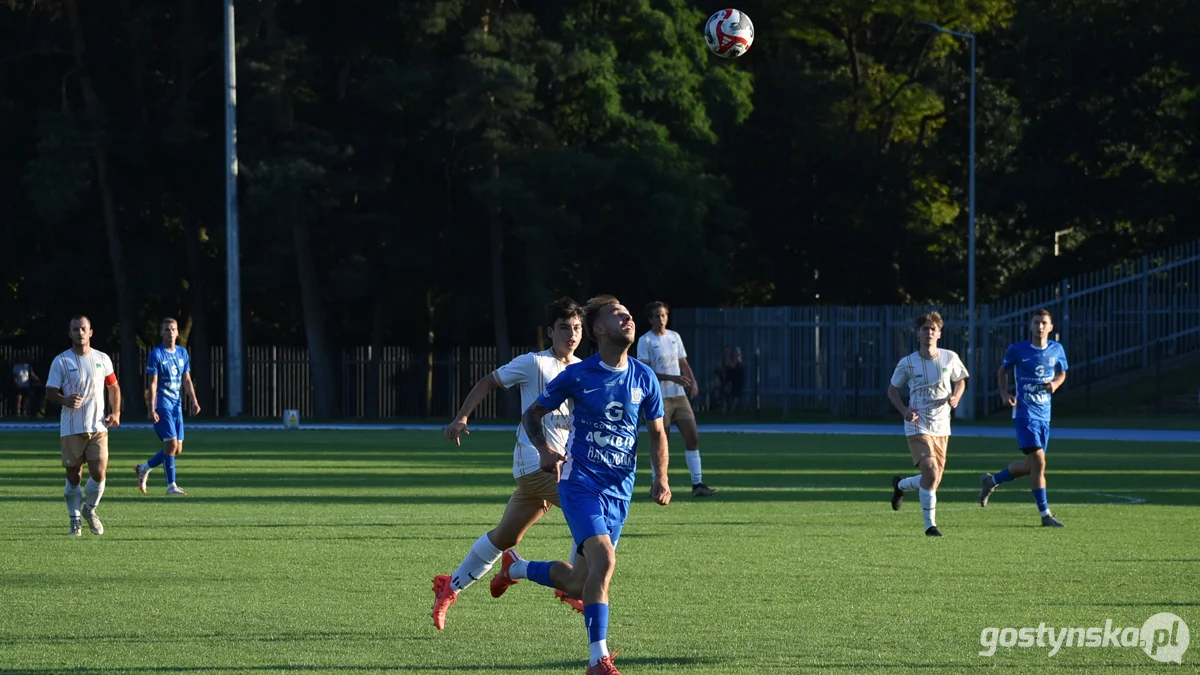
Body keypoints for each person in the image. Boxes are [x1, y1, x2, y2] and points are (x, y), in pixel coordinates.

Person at [490, 295, 671, 675]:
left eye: (628, 313)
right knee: (604, 561)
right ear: (599, 329)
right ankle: (597, 661)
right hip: (580, 484)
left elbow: (657, 433)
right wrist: (543, 451)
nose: (628, 318)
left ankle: (515, 568)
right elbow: (532, 414)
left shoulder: (644, 377)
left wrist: (661, 478)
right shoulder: (577, 375)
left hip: (618, 492)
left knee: (578, 582)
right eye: (617, 314)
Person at [431, 297, 586, 630]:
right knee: (589, 511)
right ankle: (572, 584)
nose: (571, 335)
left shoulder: (584, 369)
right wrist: (461, 417)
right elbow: (490, 380)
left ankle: (452, 585)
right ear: (550, 331)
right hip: (534, 463)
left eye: (576, 328)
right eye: (564, 328)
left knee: (506, 536)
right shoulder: (534, 363)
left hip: (561, 467)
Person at [978, 309, 1068, 527]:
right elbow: (1002, 371)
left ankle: (991, 480)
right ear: (1030, 325)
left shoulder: (1057, 349)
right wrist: (1003, 393)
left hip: (1044, 415)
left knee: (1031, 466)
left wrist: (1055, 384)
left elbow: (1062, 372)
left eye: (1044, 323)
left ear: (1051, 327)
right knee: (1039, 463)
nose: (1039, 327)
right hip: (1025, 413)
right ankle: (1045, 515)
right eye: (1036, 322)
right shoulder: (1017, 350)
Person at [886, 312, 968, 536]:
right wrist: (903, 410)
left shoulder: (950, 358)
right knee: (931, 472)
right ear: (918, 333)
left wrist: (957, 397)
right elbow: (892, 389)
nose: (928, 333)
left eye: (933, 329)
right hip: (917, 424)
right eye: (925, 329)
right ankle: (930, 526)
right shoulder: (908, 363)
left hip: (941, 425)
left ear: (939, 333)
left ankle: (901, 485)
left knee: (934, 478)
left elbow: (960, 380)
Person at [44, 316, 121, 536]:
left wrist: (115, 412)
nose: (80, 332)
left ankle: (90, 510)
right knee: (74, 477)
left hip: (98, 427)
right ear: (70, 334)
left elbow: (113, 387)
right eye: (75, 329)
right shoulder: (61, 361)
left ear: (90, 332)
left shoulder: (102, 358)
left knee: (99, 473)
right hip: (71, 428)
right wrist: (64, 400)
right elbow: (50, 391)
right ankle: (74, 519)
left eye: (83, 329)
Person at [636, 301, 717, 497]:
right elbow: (646, 372)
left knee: (693, 437)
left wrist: (693, 381)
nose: (661, 319)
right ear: (650, 319)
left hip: (679, 396)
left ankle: (697, 484)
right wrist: (673, 378)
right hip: (660, 397)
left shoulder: (674, 336)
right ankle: (657, 483)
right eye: (656, 316)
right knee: (661, 440)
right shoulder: (645, 341)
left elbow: (682, 362)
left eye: (663, 315)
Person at [135, 318, 201, 496]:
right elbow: (153, 384)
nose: (170, 332)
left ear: (178, 332)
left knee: (177, 449)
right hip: (162, 403)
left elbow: (186, 380)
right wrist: (151, 408)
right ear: (161, 333)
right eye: (166, 329)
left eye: (173, 329)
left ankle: (144, 468)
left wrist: (194, 401)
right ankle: (171, 486)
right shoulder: (156, 355)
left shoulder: (182, 353)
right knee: (171, 445)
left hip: (176, 404)